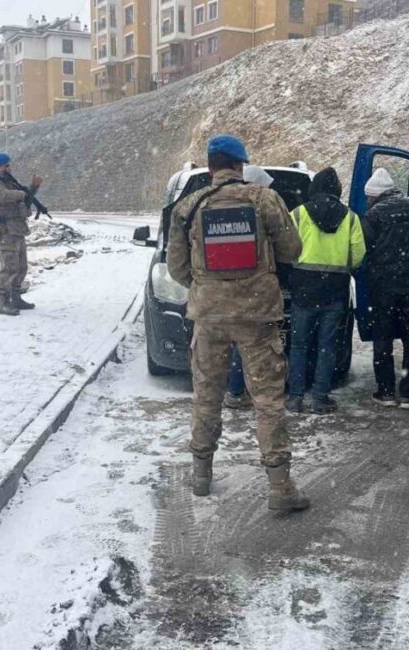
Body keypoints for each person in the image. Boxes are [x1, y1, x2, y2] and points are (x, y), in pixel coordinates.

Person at [167, 135, 309, 512]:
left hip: (209, 317)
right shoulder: (264, 199)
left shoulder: (188, 207)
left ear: (211, 166)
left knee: (207, 397)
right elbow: (292, 251)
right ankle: (280, 488)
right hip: (257, 315)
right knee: (267, 401)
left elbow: (176, 267)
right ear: (240, 165)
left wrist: (208, 288)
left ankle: (201, 475)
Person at [286, 168, 365, 414]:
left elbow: (285, 247)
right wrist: (341, 265)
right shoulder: (351, 218)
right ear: (337, 191)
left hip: (303, 289)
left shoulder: (298, 213)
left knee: (299, 345)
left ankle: (295, 397)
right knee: (326, 345)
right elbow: (358, 254)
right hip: (335, 290)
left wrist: (296, 265)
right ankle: (320, 397)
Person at [362, 167, 409, 409]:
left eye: (368, 197)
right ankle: (408, 394)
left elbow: (363, 250)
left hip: (385, 288)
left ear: (375, 195)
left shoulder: (374, 215)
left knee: (383, 338)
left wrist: (370, 275)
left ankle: (385, 392)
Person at [224, 164, 276, 411]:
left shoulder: (224, 210)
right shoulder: (260, 214)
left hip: (230, 291)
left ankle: (236, 391)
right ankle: (246, 392)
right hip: (253, 290)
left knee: (239, 342)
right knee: (254, 344)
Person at [0, 153, 42, 316]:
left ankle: (16, 298)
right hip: (6, 230)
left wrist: (32, 188)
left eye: (9, 165)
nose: (9, 168)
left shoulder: (9, 183)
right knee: (9, 267)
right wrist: (22, 193)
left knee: (21, 266)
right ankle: (4, 302)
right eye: (6, 166)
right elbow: (2, 196)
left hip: (17, 228)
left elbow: (24, 199)